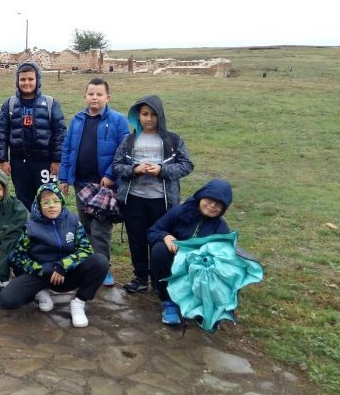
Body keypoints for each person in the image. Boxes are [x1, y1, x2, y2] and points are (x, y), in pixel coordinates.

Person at [112, 95, 193, 293]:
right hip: (134, 199)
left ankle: (159, 281)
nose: (148, 119)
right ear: (137, 116)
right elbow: (117, 166)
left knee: (159, 240)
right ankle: (140, 278)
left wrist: (161, 171)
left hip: (162, 201)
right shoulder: (129, 140)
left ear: (160, 116)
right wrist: (134, 170)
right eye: (144, 114)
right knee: (137, 240)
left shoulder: (173, 140)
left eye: (153, 114)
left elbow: (186, 165)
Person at [0, 183, 108, 328]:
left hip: (67, 274)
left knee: (100, 261)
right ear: (39, 205)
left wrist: (63, 266)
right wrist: (42, 270)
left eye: (55, 201)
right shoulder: (31, 227)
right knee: (6, 300)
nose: (51, 206)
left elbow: (86, 249)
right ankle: (40, 291)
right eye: (46, 202)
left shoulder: (73, 221)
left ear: (61, 201)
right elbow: (18, 256)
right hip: (42, 274)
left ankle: (78, 303)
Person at [58, 77, 129, 286]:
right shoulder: (77, 120)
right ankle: (88, 263)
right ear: (85, 96)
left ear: (108, 97)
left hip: (104, 186)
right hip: (81, 183)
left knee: (101, 229)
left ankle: (103, 269)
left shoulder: (118, 120)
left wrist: (110, 175)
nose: (94, 98)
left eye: (99, 94)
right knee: (86, 226)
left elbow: (124, 151)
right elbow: (67, 149)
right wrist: (64, 177)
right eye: (91, 94)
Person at [148, 179, 233, 325]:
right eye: (209, 200)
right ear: (200, 197)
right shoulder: (180, 211)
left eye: (219, 204)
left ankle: (208, 307)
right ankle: (168, 302)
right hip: (174, 262)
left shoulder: (221, 228)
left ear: (224, 208)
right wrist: (165, 236)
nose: (212, 206)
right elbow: (153, 231)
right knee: (159, 250)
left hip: (199, 268)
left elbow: (226, 257)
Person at [0, 61, 66, 210]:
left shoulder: (50, 103)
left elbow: (59, 133)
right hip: (19, 163)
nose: (26, 83)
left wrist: (57, 160)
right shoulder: (9, 104)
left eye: (30, 79)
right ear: (17, 81)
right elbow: (2, 132)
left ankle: (48, 225)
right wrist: (3, 160)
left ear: (37, 80)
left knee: (48, 200)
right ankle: (27, 225)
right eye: (22, 79)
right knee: (23, 202)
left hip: (45, 163)